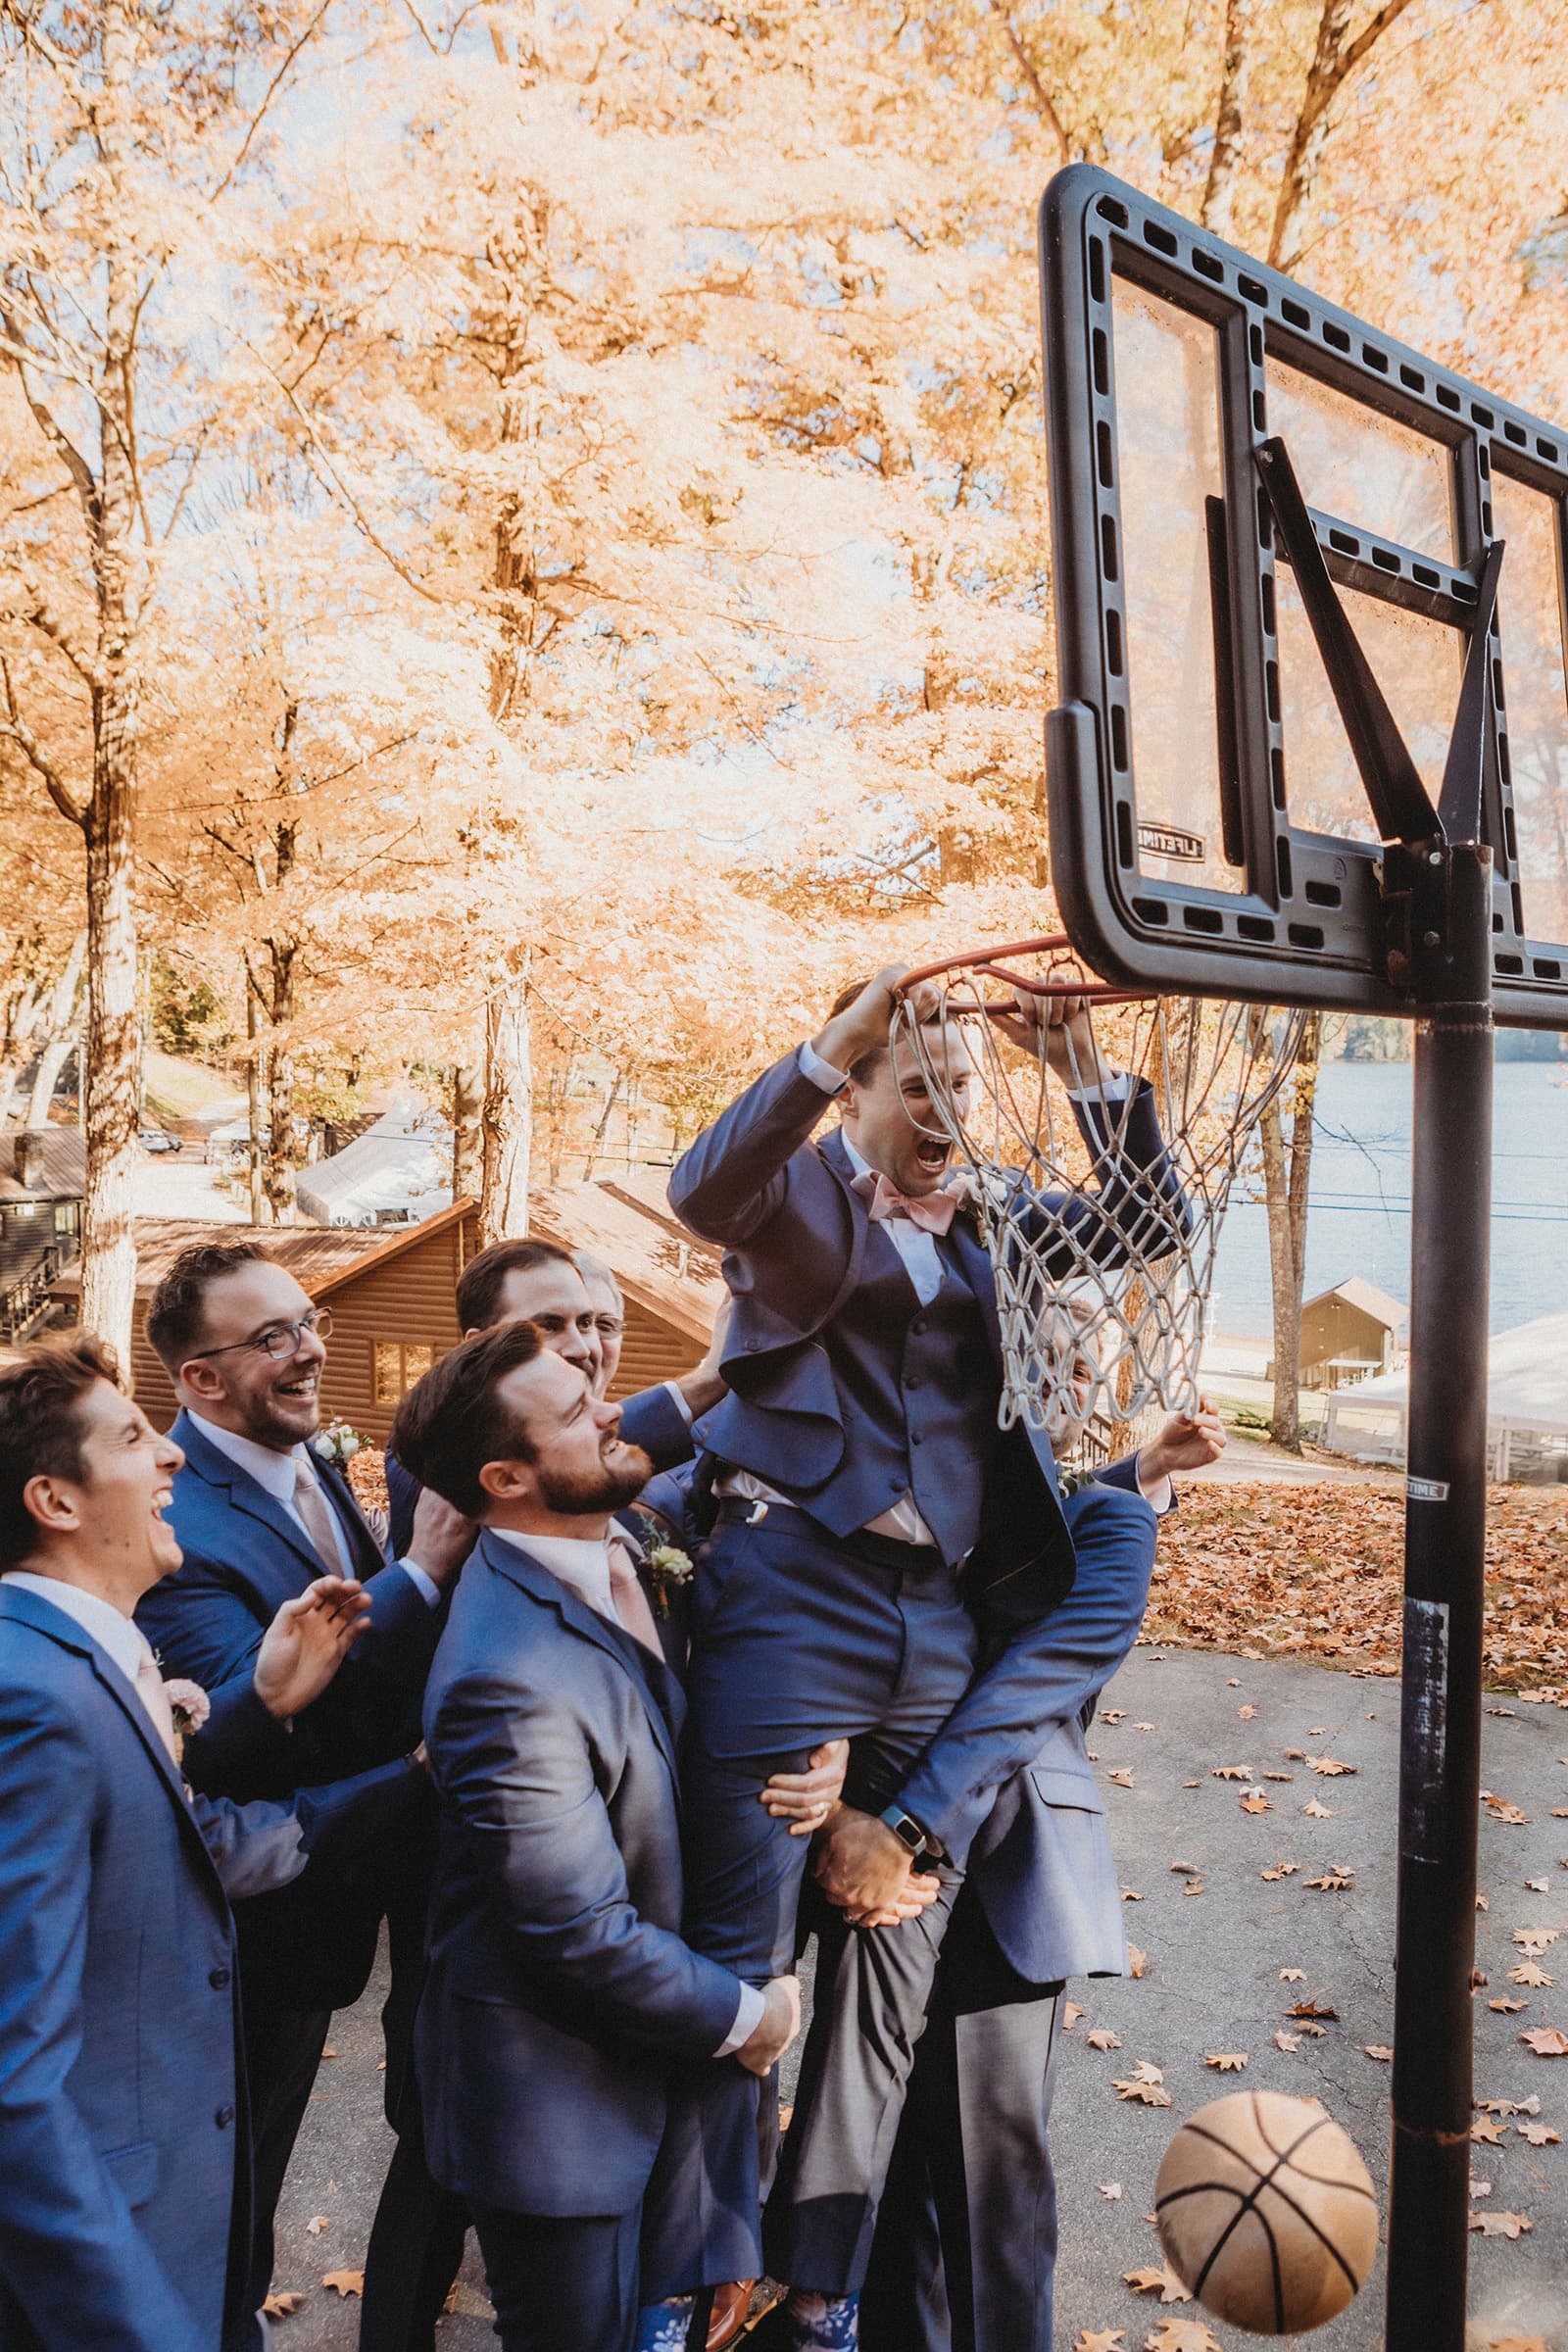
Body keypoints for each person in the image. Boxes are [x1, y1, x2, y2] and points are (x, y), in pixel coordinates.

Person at [649, 964, 1188, 2341]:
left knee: (897, 1948)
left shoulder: (1002, 1218)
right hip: (793, 1590)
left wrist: (1078, 1068)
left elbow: (1152, 1219)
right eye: (918, 1086)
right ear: (864, 1092)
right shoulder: (792, 1199)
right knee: (746, 1954)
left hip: (935, 1613)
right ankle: (689, 2279)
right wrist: (825, 1042)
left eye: (962, 1087)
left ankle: (820, 2293)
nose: (946, 1110)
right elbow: (702, 1190)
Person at [0, 1336, 419, 2352]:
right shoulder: (32, 1699)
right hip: (111, 2260)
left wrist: (282, 1710)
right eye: (135, 1436)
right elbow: (17, 2079)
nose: (174, 1455)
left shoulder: (86, 1659)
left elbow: (188, 1841)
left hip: (181, 2211)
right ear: (56, 1502)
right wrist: (138, 2324)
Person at [364, 1233, 743, 2352]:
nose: (609, 1410)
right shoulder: (500, 1674)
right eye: (576, 1410)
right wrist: (749, 2019)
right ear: (504, 1480)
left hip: (642, 2069)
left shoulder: (629, 1538)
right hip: (550, 2109)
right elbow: (575, 1932)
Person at [838, 1396, 1227, 2352]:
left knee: (985, 2192)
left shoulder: (1083, 1535)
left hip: (998, 1872)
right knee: (880, 2182)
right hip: (866, 1861)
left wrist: (905, 1826)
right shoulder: (898, 1467)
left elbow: (1033, 1670)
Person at [135, 1240, 474, 2323]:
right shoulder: (179, 1530)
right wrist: (420, 1570)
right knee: (218, 2219)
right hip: (249, 1942)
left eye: (307, 1321)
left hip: (339, 1905)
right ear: (199, 1380)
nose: (309, 1349)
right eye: (271, 1337)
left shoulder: (308, 1458)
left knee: (253, 2200)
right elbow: (248, 1722)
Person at [384, 1238, 716, 1559]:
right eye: (548, 1326)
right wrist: (709, 1381)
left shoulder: (664, 1452)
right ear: (482, 1343)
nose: (583, 1347)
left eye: (587, 1323)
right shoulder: (430, 1449)